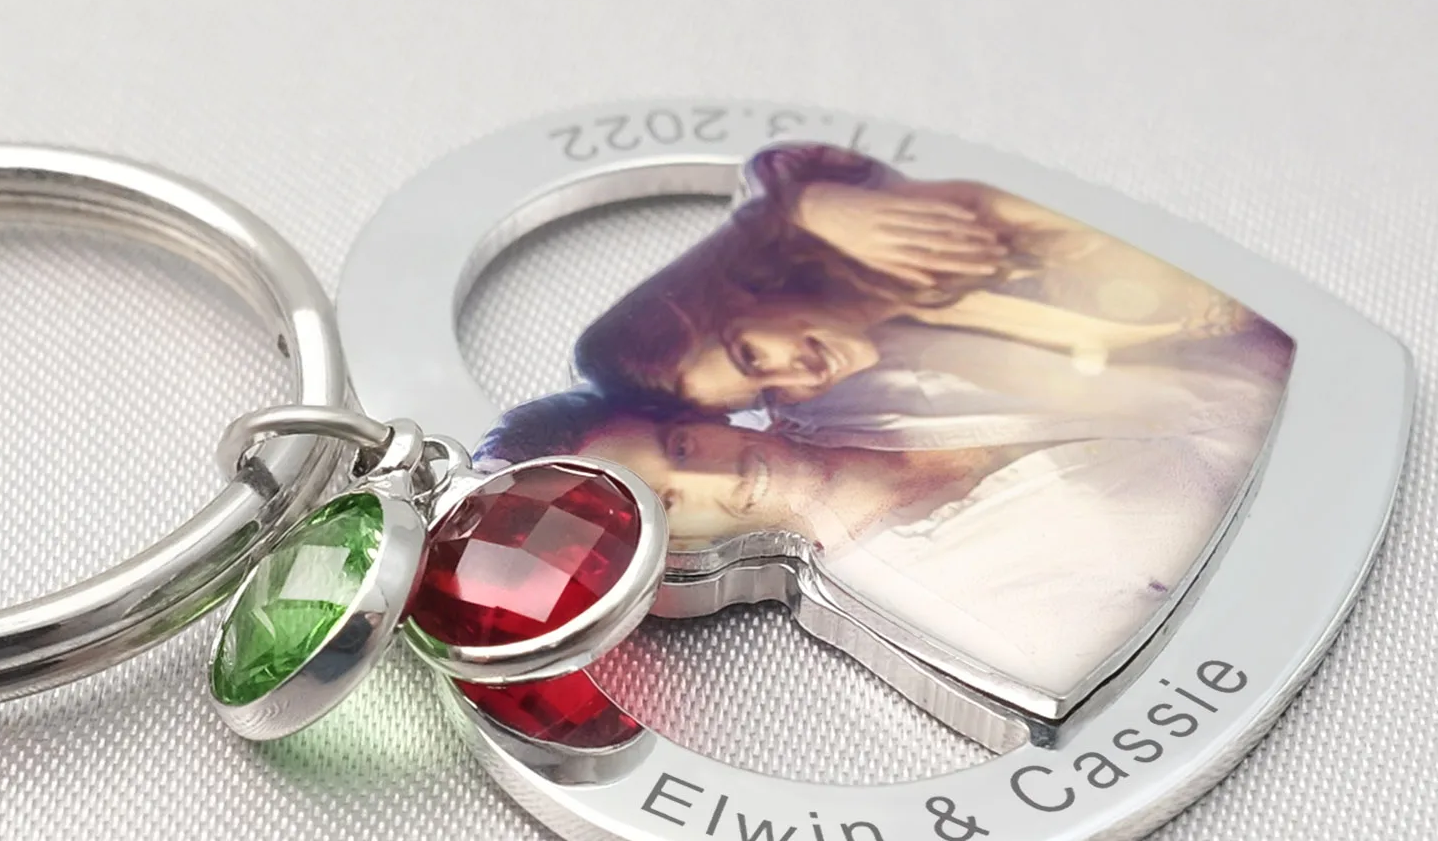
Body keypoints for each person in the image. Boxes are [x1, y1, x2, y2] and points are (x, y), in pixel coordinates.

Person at [476, 387, 1262, 701]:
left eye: (680, 445)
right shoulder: (936, 598)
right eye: (667, 501)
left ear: (697, 415)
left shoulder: (866, 385)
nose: (715, 471)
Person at [571, 142, 1288, 450]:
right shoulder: (924, 325)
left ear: (747, 292)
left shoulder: (918, 231)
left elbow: (786, 159)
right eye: (763, 393)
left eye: (753, 355)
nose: (797, 377)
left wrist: (800, 204)